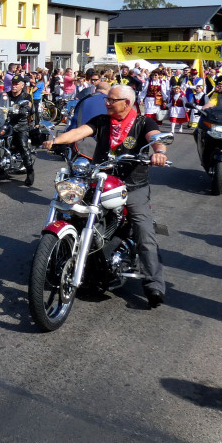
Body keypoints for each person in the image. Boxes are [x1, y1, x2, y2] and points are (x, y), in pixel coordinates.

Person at [43, 84, 169, 308]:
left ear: (126, 103)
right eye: (107, 99)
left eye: (111, 100)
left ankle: (154, 283)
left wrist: (159, 151)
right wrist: (57, 140)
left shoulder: (143, 122)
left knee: (144, 231)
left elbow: (155, 137)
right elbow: (79, 132)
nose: (107, 103)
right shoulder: (102, 120)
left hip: (132, 185)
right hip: (100, 179)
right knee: (72, 210)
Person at [0, 74, 36, 186]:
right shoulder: (6, 95)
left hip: (20, 125)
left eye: (17, 83)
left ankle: (30, 171)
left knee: (23, 146)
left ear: (22, 85)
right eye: (13, 83)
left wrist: (25, 109)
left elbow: (29, 105)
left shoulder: (26, 96)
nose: (14, 85)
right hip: (6, 123)